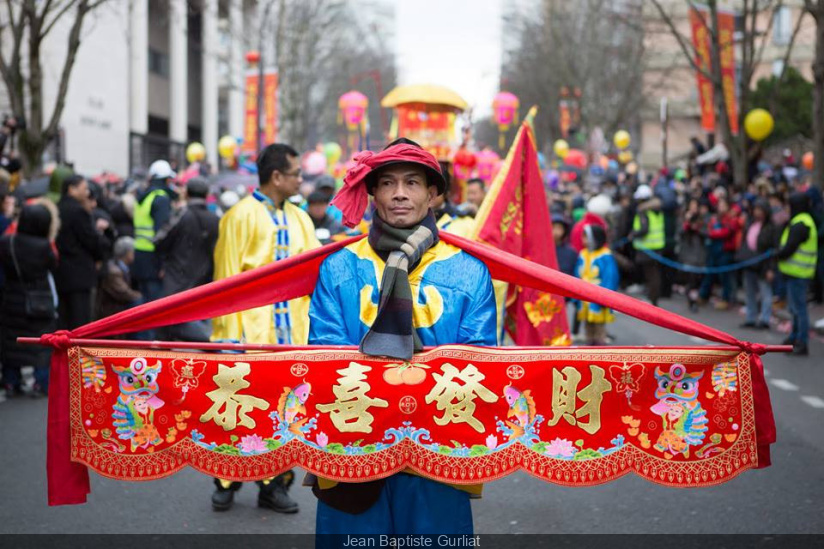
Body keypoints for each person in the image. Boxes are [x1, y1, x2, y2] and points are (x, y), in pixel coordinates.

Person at [308, 137, 497, 538]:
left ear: (433, 194)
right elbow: (323, 356)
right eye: (388, 183)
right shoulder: (338, 268)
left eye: (412, 183)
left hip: (439, 453)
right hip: (353, 448)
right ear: (372, 192)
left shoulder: (469, 272)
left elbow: (480, 364)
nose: (399, 194)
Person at [210, 143, 320, 513]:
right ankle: (226, 479)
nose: (301, 180)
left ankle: (274, 484)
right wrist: (226, 339)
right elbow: (225, 280)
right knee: (238, 412)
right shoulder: (239, 216)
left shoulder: (302, 218)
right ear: (277, 177)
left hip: (291, 338)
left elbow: (314, 274)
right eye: (296, 173)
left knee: (284, 413)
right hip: (248, 335)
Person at [0, 204, 58, 397]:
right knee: (41, 344)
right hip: (39, 300)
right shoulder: (44, 246)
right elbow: (53, 263)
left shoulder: (7, 242)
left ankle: (10, 381)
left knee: (11, 342)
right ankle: (40, 383)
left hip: (11, 298)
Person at [154, 177, 219, 341]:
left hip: (177, 278)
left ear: (187, 193)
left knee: (168, 324)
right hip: (204, 282)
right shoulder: (216, 220)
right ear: (206, 195)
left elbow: (160, 241)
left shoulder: (181, 215)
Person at [55, 175, 108, 329]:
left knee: (64, 322)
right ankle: (76, 354)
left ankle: (64, 353)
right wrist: (100, 254)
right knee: (79, 323)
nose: (86, 193)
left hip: (61, 272)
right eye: (84, 189)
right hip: (79, 274)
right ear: (72, 189)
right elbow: (91, 240)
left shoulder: (57, 207)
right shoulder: (78, 211)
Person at [132, 160, 176, 321]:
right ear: (166, 180)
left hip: (139, 256)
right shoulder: (161, 199)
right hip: (154, 260)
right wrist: (164, 263)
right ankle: (152, 345)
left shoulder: (143, 197)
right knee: (154, 310)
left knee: (143, 308)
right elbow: (162, 235)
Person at [776, 192, 818, 356]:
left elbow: (789, 247)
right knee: (794, 309)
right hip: (795, 273)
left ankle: (801, 341)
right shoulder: (802, 220)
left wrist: (778, 253)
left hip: (798, 273)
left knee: (799, 309)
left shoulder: (801, 223)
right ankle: (794, 337)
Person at [574, 224, 619, 345]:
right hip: (584, 297)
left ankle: (600, 349)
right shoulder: (583, 254)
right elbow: (577, 274)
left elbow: (610, 277)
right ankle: (589, 348)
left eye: (586, 237)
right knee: (588, 325)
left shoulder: (605, 255)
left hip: (598, 296)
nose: (583, 240)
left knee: (599, 326)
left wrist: (606, 297)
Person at [738, 199, 778, 330]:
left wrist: (771, 268)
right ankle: (751, 317)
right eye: (756, 209)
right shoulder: (750, 223)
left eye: (760, 210)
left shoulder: (771, 227)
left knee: (765, 292)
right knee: (749, 292)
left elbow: (774, 249)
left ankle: (765, 319)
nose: (757, 212)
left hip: (763, 264)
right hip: (750, 262)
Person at [698, 196, 741, 310]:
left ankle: (726, 299)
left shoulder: (731, 219)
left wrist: (713, 234)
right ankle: (703, 295)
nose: (720, 208)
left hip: (725, 250)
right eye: (719, 205)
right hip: (713, 249)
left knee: (725, 276)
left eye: (723, 205)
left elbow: (726, 232)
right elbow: (709, 229)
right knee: (709, 273)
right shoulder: (715, 218)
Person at [629, 184, 664, 306]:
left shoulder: (643, 211)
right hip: (657, 246)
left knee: (651, 275)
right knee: (654, 274)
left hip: (647, 248)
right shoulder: (656, 210)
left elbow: (644, 229)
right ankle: (653, 297)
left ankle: (652, 299)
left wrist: (633, 234)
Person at [96, 236, 142, 320]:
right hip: (111, 312)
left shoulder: (121, 267)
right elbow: (123, 292)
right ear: (127, 253)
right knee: (138, 302)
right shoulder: (114, 271)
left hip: (118, 307)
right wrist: (139, 296)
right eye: (132, 252)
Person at [552, 213, 577, 278]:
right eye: (553, 227)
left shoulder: (571, 252)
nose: (556, 232)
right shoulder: (541, 250)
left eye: (559, 228)